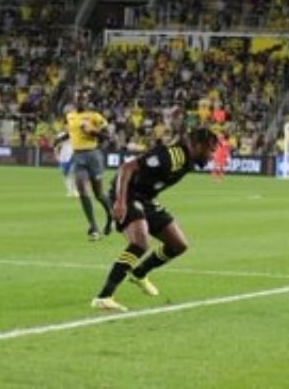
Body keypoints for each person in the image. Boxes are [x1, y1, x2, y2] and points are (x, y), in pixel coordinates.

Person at [91, 127, 218, 312]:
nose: (211, 156)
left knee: (178, 245)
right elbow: (127, 168)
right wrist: (120, 201)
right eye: (210, 150)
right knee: (140, 243)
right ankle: (104, 297)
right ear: (198, 146)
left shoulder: (188, 160)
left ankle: (139, 273)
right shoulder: (171, 156)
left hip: (145, 199)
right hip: (127, 195)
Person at [54, 90, 113, 241]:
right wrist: (61, 139)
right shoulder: (70, 116)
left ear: (87, 101)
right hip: (78, 156)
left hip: (93, 155)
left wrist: (93, 132)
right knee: (82, 190)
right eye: (78, 98)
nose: (80, 100)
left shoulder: (95, 116)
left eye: (82, 98)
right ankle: (94, 228)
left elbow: (108, 137)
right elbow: (72, 132)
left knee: (99, 194)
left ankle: (111, 216)